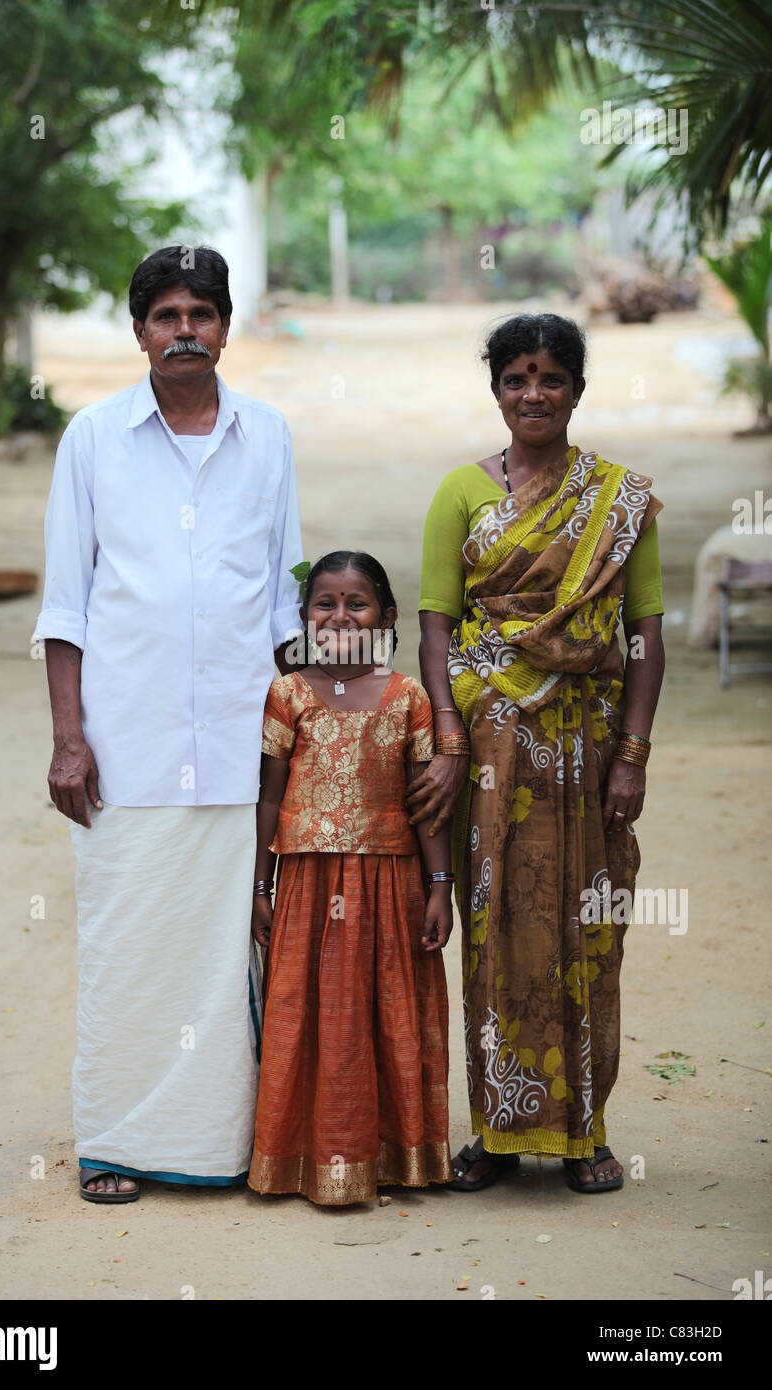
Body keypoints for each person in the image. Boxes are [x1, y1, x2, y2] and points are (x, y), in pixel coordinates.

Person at [32, 244, 303, 1202]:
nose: (185, 330)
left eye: (202, 313)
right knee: (126, 947)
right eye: (166, 315)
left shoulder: (267, 436)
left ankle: (223, 1148)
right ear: (140, 330)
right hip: (126, 750)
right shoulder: (94, 438)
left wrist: (308, 735)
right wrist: (70, 739)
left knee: (226, 949)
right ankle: (115, 1143)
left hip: (237, 747)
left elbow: (284, 607)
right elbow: (66, 605)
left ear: (226, 325)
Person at [411, 313, 665, 1194]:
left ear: (577, 391)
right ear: (496, 390)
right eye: (517, 378)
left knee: (585, 925)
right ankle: (495, 1131)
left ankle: (585, 1130)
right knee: (494, 930)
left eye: (552, 378)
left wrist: (631, 755)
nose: (534, 394)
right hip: (490, 750)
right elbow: (436, 631)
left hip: (586, 751)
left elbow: (643, 637)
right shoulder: (459, 494)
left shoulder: (618, 500)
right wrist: (446, 731)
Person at [247, 552, 453, 1205]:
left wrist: (440, 885)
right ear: (305, 615)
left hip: (392, 883)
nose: (340, 615)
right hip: (307, 885)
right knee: (307, 1018)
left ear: (387, 616)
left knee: (388, 1013)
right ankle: (306, 1157)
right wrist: (259, 886)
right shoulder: (288, 695)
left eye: (356, 602)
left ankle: (396, 1155)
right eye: (324, 603)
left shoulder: (408, 698)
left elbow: (427, 805)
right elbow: (268, 800)